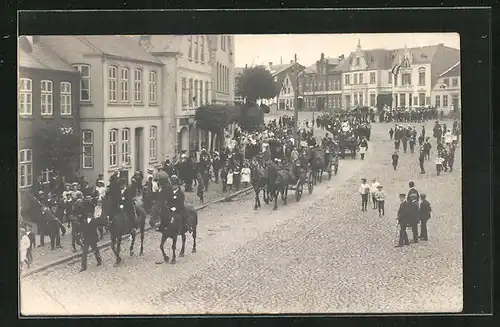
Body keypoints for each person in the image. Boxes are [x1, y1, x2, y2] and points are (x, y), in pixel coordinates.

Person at [79, 199, 103, 272]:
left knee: (95, 250)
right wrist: (81, 236)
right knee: (84, 253)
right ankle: (83, 266)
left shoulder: (94, 221)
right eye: (88, 214)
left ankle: (99, 260)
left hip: (92, 238)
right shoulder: (84, 221)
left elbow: (98, 226)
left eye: (90, 213)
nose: (89, 214)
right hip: (86, 238)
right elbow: (82, 229)